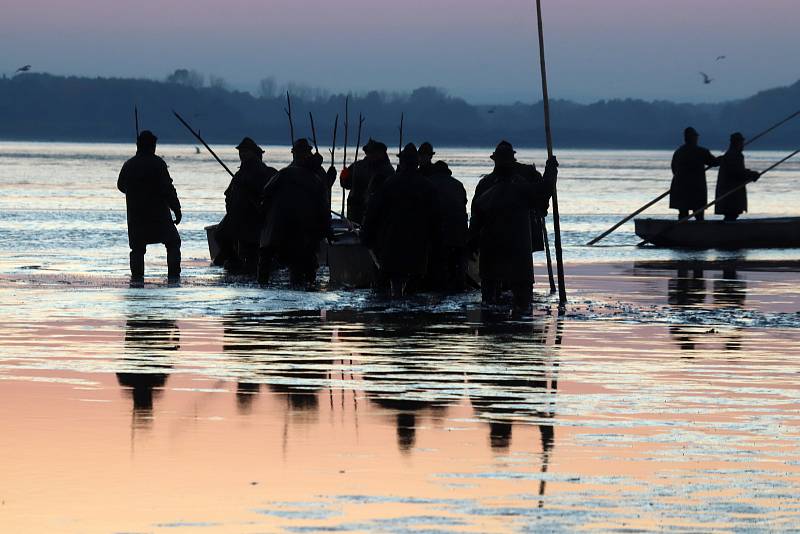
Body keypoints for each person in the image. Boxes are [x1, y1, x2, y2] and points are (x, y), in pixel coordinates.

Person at [469, 141, 557, 310]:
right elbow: (543, 194)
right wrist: (551, 172)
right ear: (512, 161)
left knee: (490, 305)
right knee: (521, 306)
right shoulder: (520, 186)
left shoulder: (486, 185)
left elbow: (475, 222)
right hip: (516, 257)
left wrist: (470, 244)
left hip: (495, 256)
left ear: (495, 160)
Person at [362, 143, 440, 297]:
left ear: (402, 163)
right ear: (416, 163)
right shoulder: (428, 187)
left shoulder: (389, 184)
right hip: (418, 247)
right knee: (413, 291)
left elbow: (373, 214)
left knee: (393, 288)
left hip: (392, 245)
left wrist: (367, 237)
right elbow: (436, 220)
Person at [257, 139, 331, 287]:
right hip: (303, 230)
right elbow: (323, 208)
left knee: (267, 258)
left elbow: (266, 191)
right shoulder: (317, 179)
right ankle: (307, 285)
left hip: (279, 228)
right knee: (301, 267)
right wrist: (327, 230)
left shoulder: (285, 172)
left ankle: (262, 285)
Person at [117, 130, 182, 284]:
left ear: (138, 145)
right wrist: (177, 209)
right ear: (152, 146)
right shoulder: (158, 164)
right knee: (173, 242)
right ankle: (173, 277)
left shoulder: (129, 164)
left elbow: (120, 186)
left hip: (136, 217)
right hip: (159, 216)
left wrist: (133, 192)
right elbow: (168, 189)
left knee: (137, 250)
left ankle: (137, 279)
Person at [215, 137, 277, 273]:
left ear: (254, 153)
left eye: (245, 151)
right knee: (220, 235)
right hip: (236, 216)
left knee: (250, 249)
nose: (242, 154)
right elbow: (228, 194)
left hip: (252, 217)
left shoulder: (262, 171)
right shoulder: (240, 173)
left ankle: (240, 264)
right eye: (241, 152)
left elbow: (265, 194)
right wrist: (230, 208)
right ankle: (234, 260)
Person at [418, 142, 469, 291]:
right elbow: (463, 204)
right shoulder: (458, 185)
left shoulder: (428, 183)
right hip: (459, 235)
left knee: (438, 271)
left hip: (439, 235)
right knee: (456, 272)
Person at [669, 127, 720, 220]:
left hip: (680, 188)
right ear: (692, 138)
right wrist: (723, 159)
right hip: (696, 190)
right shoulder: (701, 152)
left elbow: (673, 169)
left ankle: (682, 230)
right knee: (699, 213)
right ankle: (698, 231)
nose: (697, 138)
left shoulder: (678, 152)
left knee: (683, 214)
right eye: (695, 136)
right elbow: (714, 162)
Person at [340, 139, 395, 224]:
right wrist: (343, 176)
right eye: (369, 152)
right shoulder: (358, 166)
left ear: (382, 153)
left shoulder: (387, 170)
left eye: (374, 152)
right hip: (355, 212)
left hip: (378, 214)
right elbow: (345, 183)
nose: (371, 155)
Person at [715, 132, 760, 221]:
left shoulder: (730, 154)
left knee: (731, 215)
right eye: (741, 142)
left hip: (728, 192)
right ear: (737, 143)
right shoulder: (735, 155)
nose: (742, 145)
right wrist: (752, 175)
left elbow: (738, 171)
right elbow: (738, 173)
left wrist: (750, 174)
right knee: (731, 214)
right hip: (731, 193)